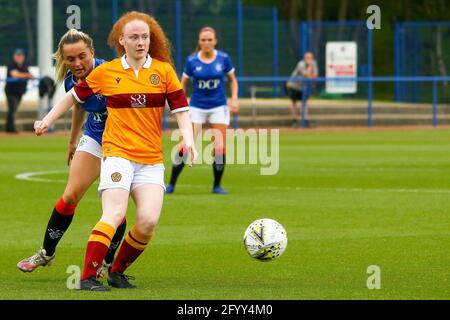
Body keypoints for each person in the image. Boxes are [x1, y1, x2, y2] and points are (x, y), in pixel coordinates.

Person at [34, 11, 196, 291]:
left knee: (147, 222)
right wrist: (47, 120)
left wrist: (189, 139)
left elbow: (180, 108)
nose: (141, 42)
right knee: (114, 213)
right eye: (134, 37)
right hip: (117, 154)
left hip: (150, 159)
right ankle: (87, 277)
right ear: (122, 40)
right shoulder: (106, 72)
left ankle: (116, 271)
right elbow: (73, 97)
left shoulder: (164, 71)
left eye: (145, 37)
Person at [17, 29, 127, 280]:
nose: (77, 63)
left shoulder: (112, 72)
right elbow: (79, 105)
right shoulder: (71, 79)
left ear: (92, 53)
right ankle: (47, 252)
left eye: (82, 56)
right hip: (95, 137)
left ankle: (107, 263)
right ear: (63, 59)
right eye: (70, 58)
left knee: (114, 210)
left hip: (122, 144)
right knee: (70, 196)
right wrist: (72, 140)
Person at [166, 26, 239, 195]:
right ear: (199, 42)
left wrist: (234, 97)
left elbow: (233, 81)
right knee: (187, 144)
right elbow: (182, 85)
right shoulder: (192, 61)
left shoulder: (223, 59)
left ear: (215, 41)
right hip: (197, 106)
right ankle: (171, 185)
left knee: (220, 147)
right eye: (203, 40)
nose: (206, 43)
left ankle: (217, 186)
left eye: (209, 40)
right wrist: (179, 104)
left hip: (218, 106)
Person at [4, 48, 34, 133]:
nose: (19, 57)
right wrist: (26, 75)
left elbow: (30, 75)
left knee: (14, 109)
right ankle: (10, 128)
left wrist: (28, 75)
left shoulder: (24, 65)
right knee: (12, 109)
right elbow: (15, 74)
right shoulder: (11, 64)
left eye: (21, 55)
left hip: (19, 91)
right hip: (11, 91)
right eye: (18, 55)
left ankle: (10, 128)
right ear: (14, 56)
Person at [286, 51, 318, 127]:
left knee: (305, 103)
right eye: (307, 57)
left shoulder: (314, 63)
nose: (308, 59)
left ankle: (305, 120)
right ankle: (294, 121)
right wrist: (310, 67)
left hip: (303, 87)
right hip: (294, 85)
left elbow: (315, 76)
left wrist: (310, 68)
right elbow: (306, 75)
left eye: (310, 58)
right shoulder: (301, 64)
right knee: (294, 103)